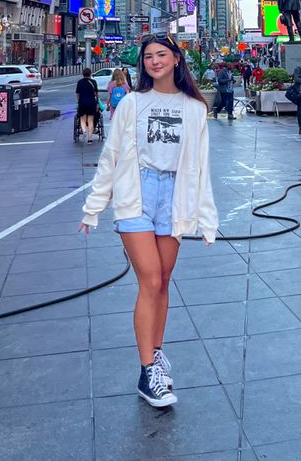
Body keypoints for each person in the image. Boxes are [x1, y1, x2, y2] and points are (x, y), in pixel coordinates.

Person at [79, 33, 217, 409]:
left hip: (174, 197)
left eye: (161, 54)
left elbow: (200, 166)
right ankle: (146, 372)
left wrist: (206, 218)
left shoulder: (193, 108)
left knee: (163, 281)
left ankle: (156, 355)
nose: (154, 61)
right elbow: (111, 156)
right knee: (151, 279)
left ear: (176, 59)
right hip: (136, 194)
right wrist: (94, 207)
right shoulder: (133, 102)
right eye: (148, 56)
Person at [75, 67, 99, 144]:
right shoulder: (94, 82)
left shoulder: (79, 82)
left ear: (83, 74)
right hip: (91, 103)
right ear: (90, 74)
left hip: (82, 103)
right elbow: (96, 94)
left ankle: (84, 131)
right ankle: (90, 138)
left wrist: (78, 101)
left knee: (82, 119)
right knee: (90, 120)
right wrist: (97, 103)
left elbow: (78, 94)